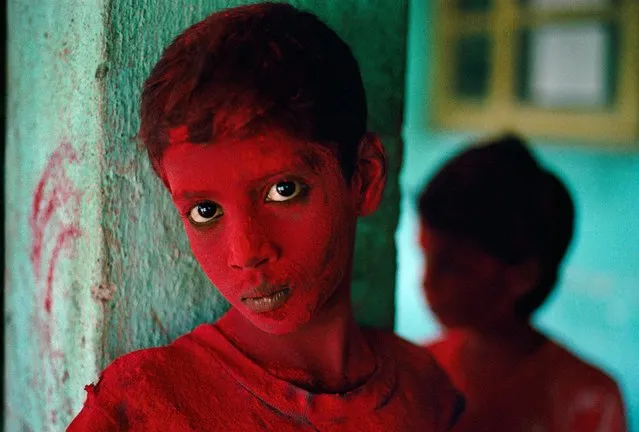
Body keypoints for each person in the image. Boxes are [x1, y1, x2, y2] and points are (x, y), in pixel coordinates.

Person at [68, 3, 463, 431]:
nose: (246, 253)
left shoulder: (424, 395)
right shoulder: (141, 408)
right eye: (205, 211)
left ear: (363, 179)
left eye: (284, 190)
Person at [417, 133, 627, 431]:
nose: (426, 281)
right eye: (425, 256)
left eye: (452, 267)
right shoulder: (420, 372)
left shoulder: (588, 398)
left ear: (522, 276)